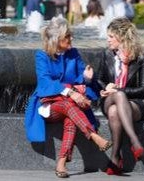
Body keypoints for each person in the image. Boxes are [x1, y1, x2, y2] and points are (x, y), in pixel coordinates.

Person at [25, 17, 112, 178]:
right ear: (57, 39)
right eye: (68, 36)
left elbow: (81, 74)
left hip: (70, 105)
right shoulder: (41, 56)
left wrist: (86, 77)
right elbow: (45, 82)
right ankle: (93, 135)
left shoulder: (73, 53)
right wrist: (71, 92)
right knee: (68, 105)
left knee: (70, 118)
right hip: (48, 105)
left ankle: (61, 163)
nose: (71, 38)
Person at [97, 17, 144, 175]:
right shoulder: (106, 55)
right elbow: (99, 79)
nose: (108, 40)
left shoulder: (141, 59)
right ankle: (135, 141)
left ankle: (115, 157)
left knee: (115, 111)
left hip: (134, 104)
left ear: (121, 37)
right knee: (117, 98)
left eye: (111, 36)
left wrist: (120, 90)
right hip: (109, 99)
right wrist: (105, 87)